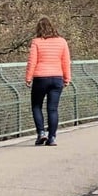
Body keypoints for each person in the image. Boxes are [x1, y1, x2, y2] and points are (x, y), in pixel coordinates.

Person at [26, 16, 71, 146]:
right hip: (57, 78)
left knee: (36, 106)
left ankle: (41, 133)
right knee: (52, 109)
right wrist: (67, 78)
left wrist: (28, 77)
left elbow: (32, 61)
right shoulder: (62, 42)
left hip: (40, 78)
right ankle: (52, 138)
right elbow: (66, 61)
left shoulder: (36, 42)